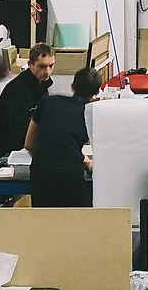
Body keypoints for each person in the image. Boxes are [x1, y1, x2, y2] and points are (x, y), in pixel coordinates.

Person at [24, 66, 101, 208]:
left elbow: (28, 144)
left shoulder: (47, 102)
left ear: (72, 86)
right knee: (74, 225)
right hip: (70, 177)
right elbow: (68, 143)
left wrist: (48, 158)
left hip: (41, 173)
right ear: (96, 93)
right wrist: (86, 162)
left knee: (43, 223)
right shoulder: (90, 114)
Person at [0, 43, 55, 165]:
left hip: (19, 149)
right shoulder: (17, 91)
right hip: (0, 156)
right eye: (42, 66)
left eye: (51, 66)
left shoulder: (42, 85)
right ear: (30, 65)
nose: (47, 71)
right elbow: (19, 133)